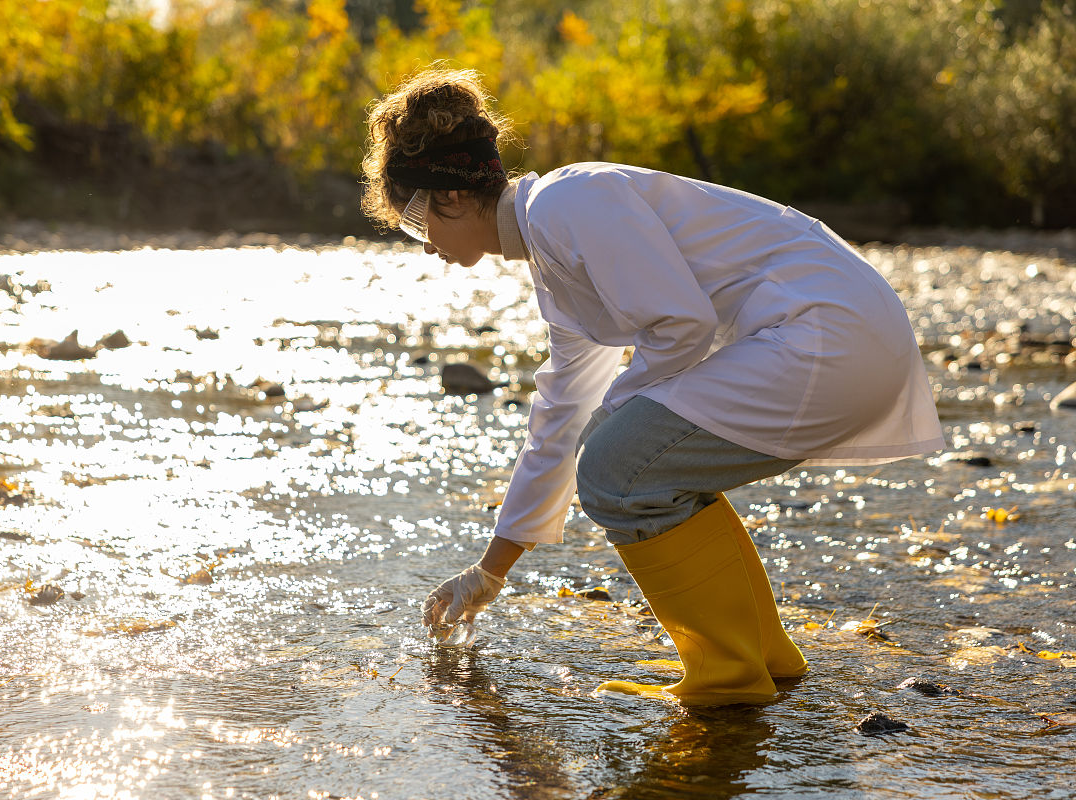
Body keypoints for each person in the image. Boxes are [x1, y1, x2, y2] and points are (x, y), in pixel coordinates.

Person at [361, 68, 945, 706]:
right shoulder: (555, 259)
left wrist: (614, 420)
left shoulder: (568, 203)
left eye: (415, 222)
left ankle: (726, 679)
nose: (424, 245)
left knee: (621, 465)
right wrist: (489, 571)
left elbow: (682, 323)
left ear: (447, 196)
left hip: (829, 334)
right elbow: (557, 422)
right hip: (836, 340)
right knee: (637, 458)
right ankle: (767, 659)